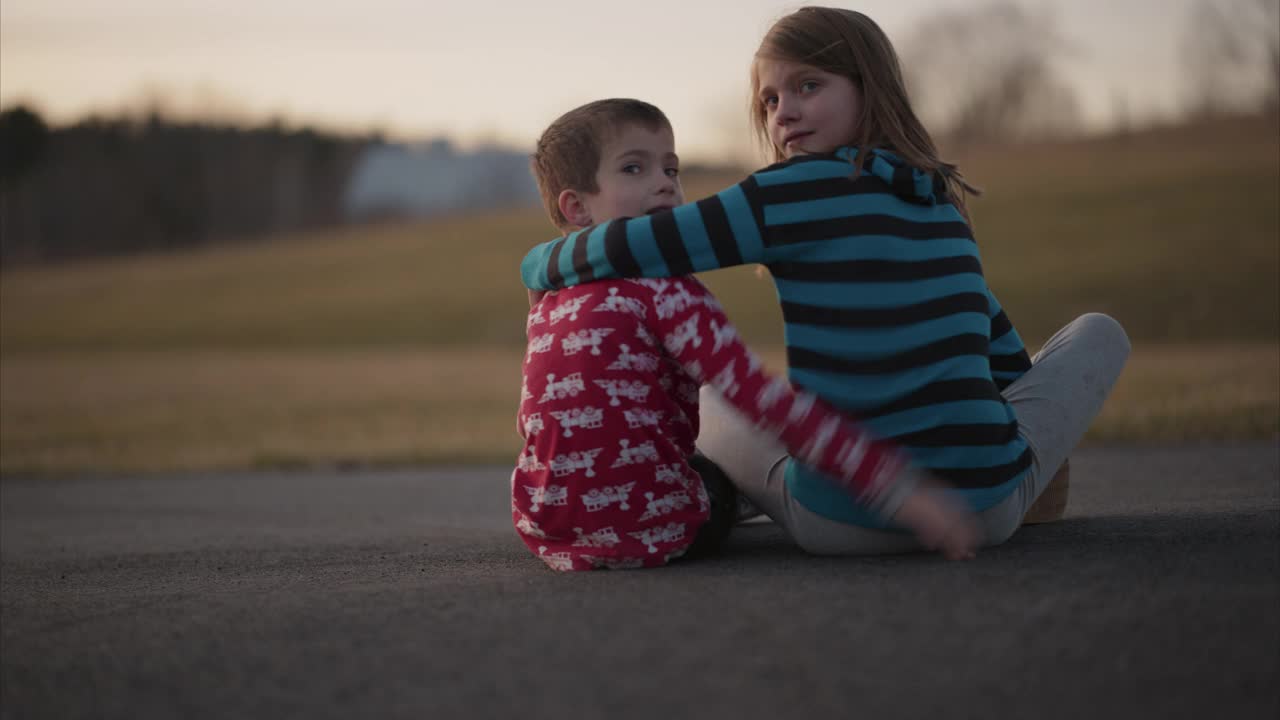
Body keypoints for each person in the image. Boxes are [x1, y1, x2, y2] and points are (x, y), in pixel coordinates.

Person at [518, 8, 1129, 555]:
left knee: (717, 400)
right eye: (769, 100)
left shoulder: (782, 195)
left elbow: (638, 245)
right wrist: (1017, 453)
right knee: (1099, 332)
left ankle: (713, 499)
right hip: (990, 509)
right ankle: (1035, 485)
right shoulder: (941, 201)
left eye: (808, 85)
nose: (784, 111)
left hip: (840, 521)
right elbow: (991, 341)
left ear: (870, 86)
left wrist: (540, 265)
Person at [512, 97, 980, 571]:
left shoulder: (551, 297)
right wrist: (897, 490)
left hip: (545, 529)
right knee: (721, 475)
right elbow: (761, 399)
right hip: (652, 531)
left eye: (671, 170)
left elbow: (537, 417)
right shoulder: (669, 292)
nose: (664, 184)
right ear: (576, 207)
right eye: (634, 169)